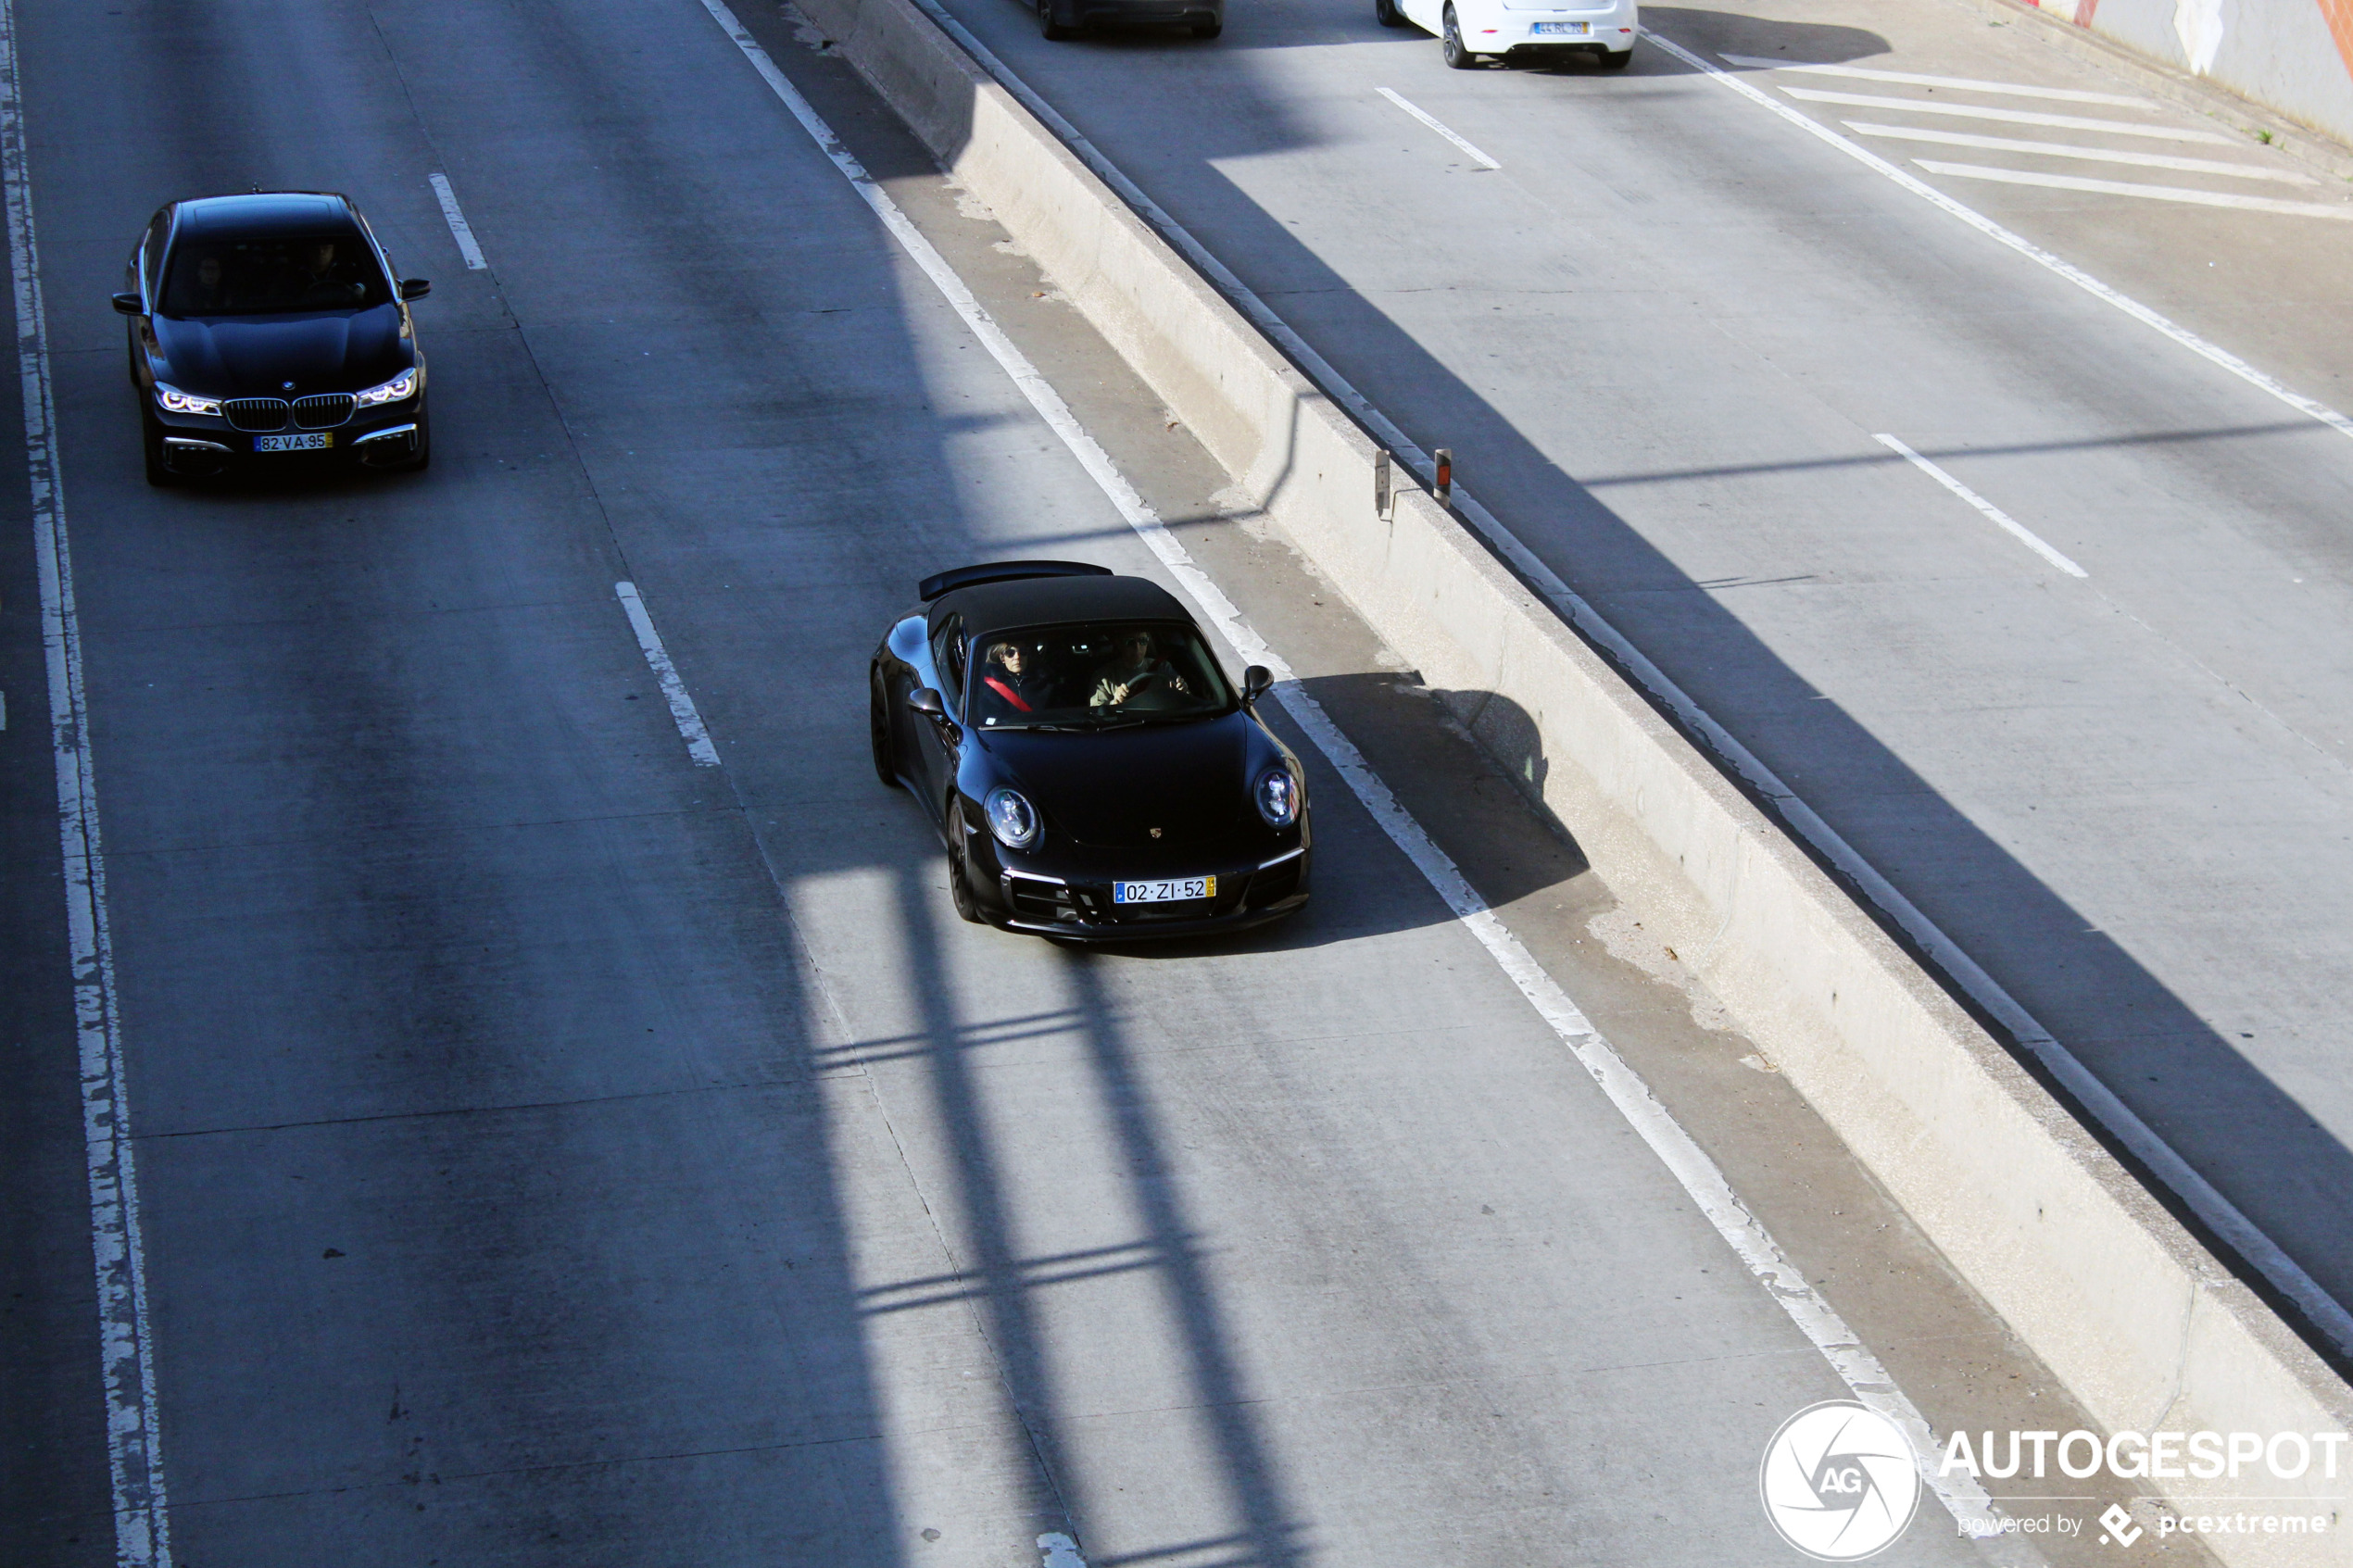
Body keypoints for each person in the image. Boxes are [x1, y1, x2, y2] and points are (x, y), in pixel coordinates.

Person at [1089, 629, 1189, 710]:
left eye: (1143, 641)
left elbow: (1187, 702)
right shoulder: (1104, 676)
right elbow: (1096, 712)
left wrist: (1181, 693)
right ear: (1119, 644)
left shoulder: (1162, 667)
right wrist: (1115, 702)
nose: (1137, 647)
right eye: (1130, 642)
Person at [977, 640, 1052, 721]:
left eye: (1023, 652)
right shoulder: (989, 686)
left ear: (1028, 655)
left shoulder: (1045, 682)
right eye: (1010, 653)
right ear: (1002, 658)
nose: (1017, 657)